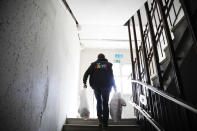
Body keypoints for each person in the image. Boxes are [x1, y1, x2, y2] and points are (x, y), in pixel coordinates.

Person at [83, 53, 117, 130]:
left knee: (99, 101)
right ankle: (105, 123)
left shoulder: (94, 64)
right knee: (105, 103)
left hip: (96, 86)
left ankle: (100, 119)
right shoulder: (108, 65)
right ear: (104, 57)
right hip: (107, 86)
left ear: (98, 58)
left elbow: (86, 73)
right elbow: (112, 76)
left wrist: (84, 82)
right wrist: (115, 87)